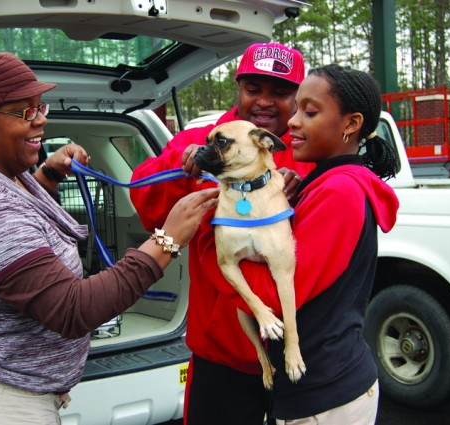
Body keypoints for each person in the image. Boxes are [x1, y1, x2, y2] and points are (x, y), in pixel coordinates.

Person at [0, 52, 219, 425]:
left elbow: (24, 218)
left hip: (11, 387)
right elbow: (72, 310)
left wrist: (48, 172)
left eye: (39, 106)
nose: (41, 119)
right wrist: (167, 239)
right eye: (23, 112)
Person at [130, 42, 314, 425]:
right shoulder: (207, 140)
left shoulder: (310, 149)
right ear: (238, 88)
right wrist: (185, 166)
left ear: (297, 96)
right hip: (222, 352)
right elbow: (143, 194)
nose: (264, 102)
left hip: (299, 352)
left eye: (279, 92)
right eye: (252, 89)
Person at [231, 63, 400, 424]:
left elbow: (278, 294)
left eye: (309, 112)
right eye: (296, 111)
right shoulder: (323, 184)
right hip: (318, 386)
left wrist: (211, 243)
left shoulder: (340, 192)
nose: (292, 122)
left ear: (351, 124)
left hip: (325, 396)